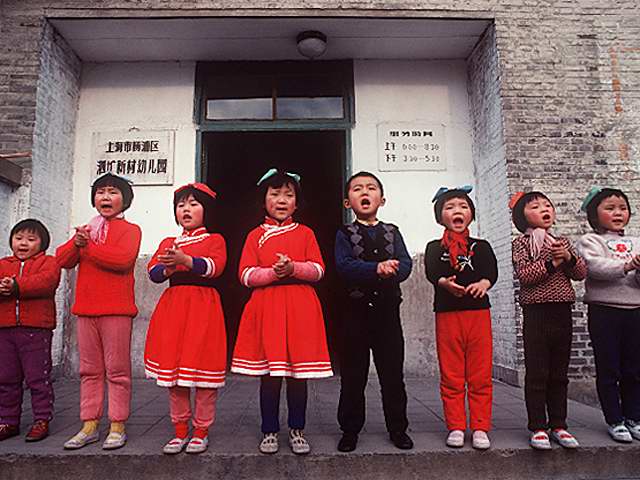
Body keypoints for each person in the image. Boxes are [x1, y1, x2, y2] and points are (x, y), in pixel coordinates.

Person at [231, 168, 332, 455]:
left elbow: (318, 270)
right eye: (275, 194)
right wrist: (274, 273)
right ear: (263, 201)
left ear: (297, 203)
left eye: (288, 195)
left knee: (298, 375)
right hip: (267, 309)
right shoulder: (254, 236)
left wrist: (294, 268)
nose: (282, 200)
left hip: (300, 309)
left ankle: (298, 429)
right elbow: (245, 274)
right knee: (270, 374)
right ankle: (269, 430)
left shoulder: (306, 233)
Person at [56, 172, 141, 450]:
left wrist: (88, 246)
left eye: (113, 192)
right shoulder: (87, 231)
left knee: (117, 371)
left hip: (117, 310)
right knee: (89, 371)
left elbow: (122, 260)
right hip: (86, 310)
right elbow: (62, 260)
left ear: (125, 200)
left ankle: (117, 426)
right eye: (101, 192)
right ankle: (89, 425)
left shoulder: (131, 230)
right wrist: (76, 242)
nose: (106, 197)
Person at [144, 182, 227, 455]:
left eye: (193, 204)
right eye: (181, 205)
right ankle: (180, 430)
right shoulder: (169, 243)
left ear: (207, 210)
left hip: (204, 309)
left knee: (203, 373)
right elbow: (153, 273)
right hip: (174, 309)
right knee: (175, 374)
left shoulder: (215, 240)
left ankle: (201, 431)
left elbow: (215, 267)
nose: (186, 209)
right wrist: (169, 267)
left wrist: (185, 260)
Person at [335, 171, 413, 452]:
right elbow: (343, 266)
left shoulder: (393, 231)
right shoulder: (344, 233)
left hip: (387, 315)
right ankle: (350, 430)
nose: (364, 193)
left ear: (382, 199)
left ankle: (398, 429)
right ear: (348, 202)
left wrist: (394, 270)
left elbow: (406, 264)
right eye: (357, 189)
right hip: (354, 315)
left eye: (371, 188)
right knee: (353, 376)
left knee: (392, 375)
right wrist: (376, 269)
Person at [510, 191, 586, 449]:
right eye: (535, 206)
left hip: (562, 310)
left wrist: (568, 258)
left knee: (559, 373)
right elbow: (525, 275)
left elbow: (580, 273)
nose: (544, 209)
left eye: (547, 205)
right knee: (537, 372)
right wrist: (553, 262)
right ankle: (538, 427)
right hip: (536, 312)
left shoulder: (562, 242)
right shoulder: (521, 244)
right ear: (522, 216)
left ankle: (559, 425)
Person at [424, 185, 497, 450]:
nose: (458, 210)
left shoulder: (482, 246)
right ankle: (455, 426)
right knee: (451, 373)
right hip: (447, 315)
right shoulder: (434, 248)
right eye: (450, 207)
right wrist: (445, 283)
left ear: (471, 214)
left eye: (463, 206)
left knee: (480, 373)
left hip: (478, 314)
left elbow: (491, 272)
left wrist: (484, 284)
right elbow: (433, 272)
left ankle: (480, 427)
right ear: (440, 216)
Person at [577, 187, 640, 443]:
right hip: (604, 311)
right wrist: (627, 265)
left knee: (634, 369)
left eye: (622, 208)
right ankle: (615, 420)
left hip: (635, 311)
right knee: (609, 368)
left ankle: (634, 417)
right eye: (610, 208)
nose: (618, 213)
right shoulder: (591, 241)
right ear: (595, 214)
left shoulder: (637, 240)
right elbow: (594, 268)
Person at [0, 219, 60, 442]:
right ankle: (8, 421)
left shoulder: (49, 263)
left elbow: (46, 282)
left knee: (38, 378)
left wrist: (16, 286)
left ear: (42, 243)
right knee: (6, 379)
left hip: (36, 331)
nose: (23, 243)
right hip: (5, 330)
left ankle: (41, 420)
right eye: (18, 238)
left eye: (31, 239)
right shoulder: (3, 264)